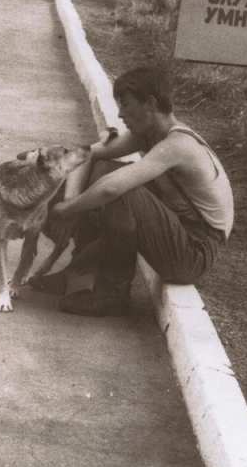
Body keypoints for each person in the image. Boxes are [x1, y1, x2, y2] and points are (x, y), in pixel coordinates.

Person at [30, 66, 234, 317]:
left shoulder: (178, 144)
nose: (120, 113)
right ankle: (80, 273)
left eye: (125, 105)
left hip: (196, 250)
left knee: (122, 191)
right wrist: (71, 201)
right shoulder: (147, 134)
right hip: (178, 230)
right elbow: (85, 155)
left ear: (149, 103)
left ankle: (111, 294)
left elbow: (112, 188)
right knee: (103, 169)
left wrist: (67, 210)